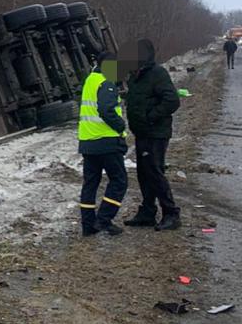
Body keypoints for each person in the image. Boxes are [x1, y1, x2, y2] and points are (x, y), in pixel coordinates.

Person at [123, 38, 181, 231]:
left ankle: (171, 213)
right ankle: (147, 212)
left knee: (154, 172)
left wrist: (151, 116)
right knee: (143, 173)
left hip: (156, 132)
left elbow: (172, 100)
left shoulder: (157, 73)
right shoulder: (135, 76)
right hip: (141, 132)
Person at [77, 47, 128, 237]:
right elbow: (106, 110)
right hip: (106, 141)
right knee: (119, 181)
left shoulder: (90, 80)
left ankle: (88, 225)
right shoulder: (106, 82)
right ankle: (104, 219)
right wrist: (120, 126)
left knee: (90, 183)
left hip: (88, 142)